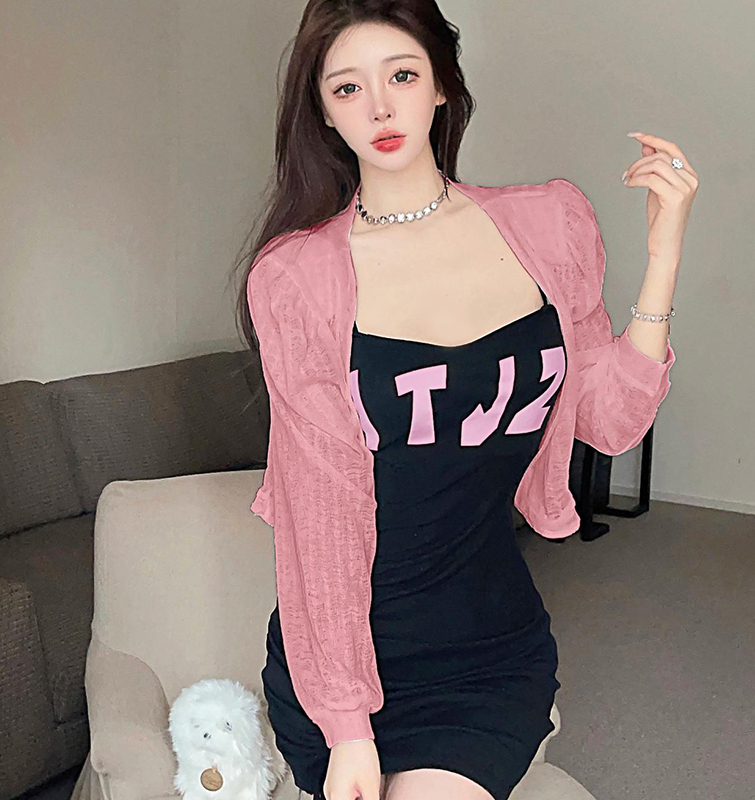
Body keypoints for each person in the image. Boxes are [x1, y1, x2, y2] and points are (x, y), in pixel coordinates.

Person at [235, 3, 695, 799]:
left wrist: (664, 255)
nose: (380, 108)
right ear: (325, 113)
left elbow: (610, 419)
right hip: (351, 661)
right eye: (348, 88)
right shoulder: (296, 277)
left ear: (443, 84)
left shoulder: (549, 223)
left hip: (487, 647)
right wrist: (347, 728)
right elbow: (320, 514)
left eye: (402, 75)